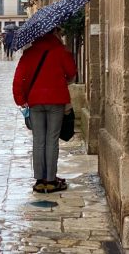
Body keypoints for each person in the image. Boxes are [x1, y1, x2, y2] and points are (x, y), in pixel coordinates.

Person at [12, 28, 77, 193]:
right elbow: (72, 73)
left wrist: (20, 100)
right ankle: (51, 180)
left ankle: (40, 180)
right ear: (54, 33)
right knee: (52, 140)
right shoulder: (60, 51)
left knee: (38, 140)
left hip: (34, 102)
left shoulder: (29, 53)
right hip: (56, 101)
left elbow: (18, 78)